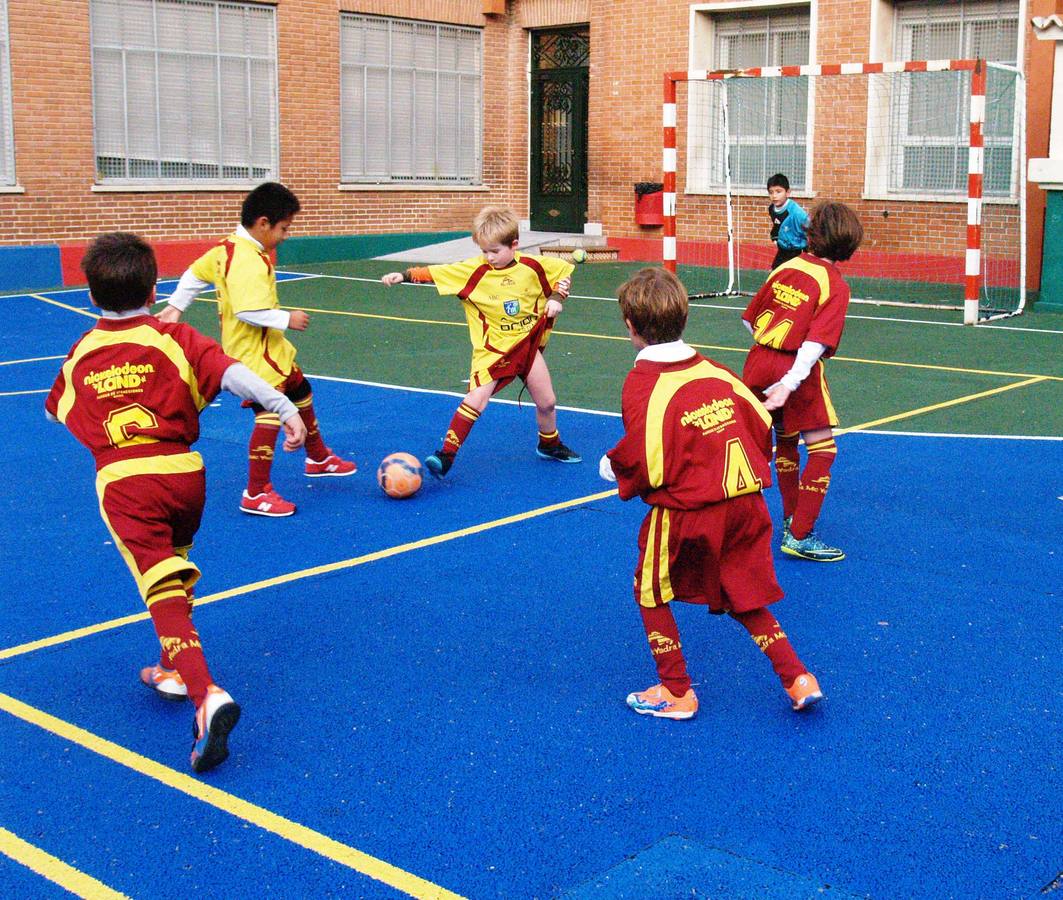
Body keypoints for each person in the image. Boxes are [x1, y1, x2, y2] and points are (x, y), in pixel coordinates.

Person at [45, 233, 308, 772]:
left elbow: (55, 412)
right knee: (176, 566)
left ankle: (205, 695)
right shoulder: (176, 336)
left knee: (159, 583)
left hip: (126, 481)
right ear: (155, 284)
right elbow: (236, 375)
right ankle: (170, 667)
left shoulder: (83, 352)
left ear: (89, 294)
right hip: (186, 475)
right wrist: (285, 407)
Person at [601, 267, 823, 720]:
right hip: (746, 505)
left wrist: (613, 465)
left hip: (688, 511)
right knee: (743, 591)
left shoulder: (643, 383)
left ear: (630, 326)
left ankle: (676, 690)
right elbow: (761, 423)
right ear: (683, 317)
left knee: (649, 591)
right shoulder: (716, 370)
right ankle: (797, 677)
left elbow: (648, 457)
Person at [157, 182, 354, 517]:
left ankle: (318, 456)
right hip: (255, 355)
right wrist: (286, 318)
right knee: (271, 414)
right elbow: (246, 311)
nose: (285, 236)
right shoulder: (248, 259)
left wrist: (176, 305)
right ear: (263, 223)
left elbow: (194, 274)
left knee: (300, 389)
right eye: (283, 229)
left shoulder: (226, 248)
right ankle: (256, 492)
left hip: (272, 351)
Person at [381, 204, 580, 478]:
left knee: (547, 402)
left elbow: (563, 274)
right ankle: (446, 455)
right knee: (477, 399)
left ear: (514, 245)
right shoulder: (474, 271)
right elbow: (437, 273)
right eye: (484, 251)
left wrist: (557, 299)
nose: (489, 257)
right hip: (493, 350)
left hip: (527, 346)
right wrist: (403, 276)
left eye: (495, 251)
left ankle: (549, 444)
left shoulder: (533, 266)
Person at [741, 202, 864, 562]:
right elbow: (816, 343)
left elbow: (749, 320)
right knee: (823, 449)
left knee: (785, 442)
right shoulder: (835, 285)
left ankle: (788, 519)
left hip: (758, 360)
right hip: (796, 368)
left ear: (812, 234)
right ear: (849, 245)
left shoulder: (786, 266)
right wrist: (789, 382)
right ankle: (799, 533)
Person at [767, 173, 809, 270]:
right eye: (771, 192)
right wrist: (775, 236)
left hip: (798, 250)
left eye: (778, 192)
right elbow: (777, 224)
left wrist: (808, 250)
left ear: (788, 192)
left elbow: (811, 230)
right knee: (775, 273)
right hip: (783, 249)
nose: (774, 196)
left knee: (795, 277)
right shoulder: (771, 209)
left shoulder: (797, 213)